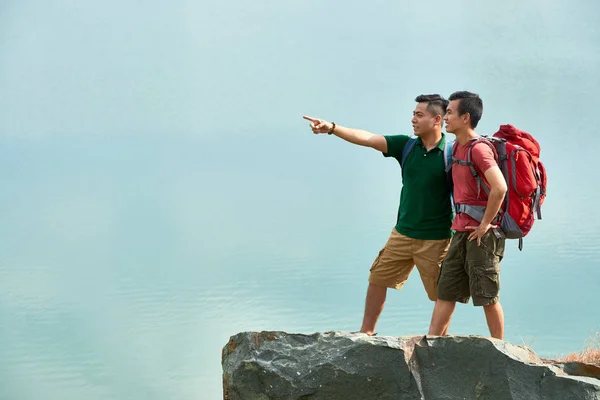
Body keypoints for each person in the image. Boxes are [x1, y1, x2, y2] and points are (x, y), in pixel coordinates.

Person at [303, 94, 453, 336]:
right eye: (413, 114)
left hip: (436, 239)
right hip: (402, 234)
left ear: (437, 120)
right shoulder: (406, 145)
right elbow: (368, 138)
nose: (412, 119)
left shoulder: (451, 154)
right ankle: (367, 333)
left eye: (419, 115)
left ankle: (437, 341)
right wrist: (331, 128)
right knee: (377, 278)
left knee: (443, 293)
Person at [428, 91, 508, 339]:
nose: (445, 117)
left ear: (465, 117)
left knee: (486, 295)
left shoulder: (479, 150)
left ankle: (500, 350)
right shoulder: (456, 148)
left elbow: (500, 187)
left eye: (450, 112)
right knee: (446, 291)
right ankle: (431, 343)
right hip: (460, 230)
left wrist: (485, 225)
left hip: (482, 234)